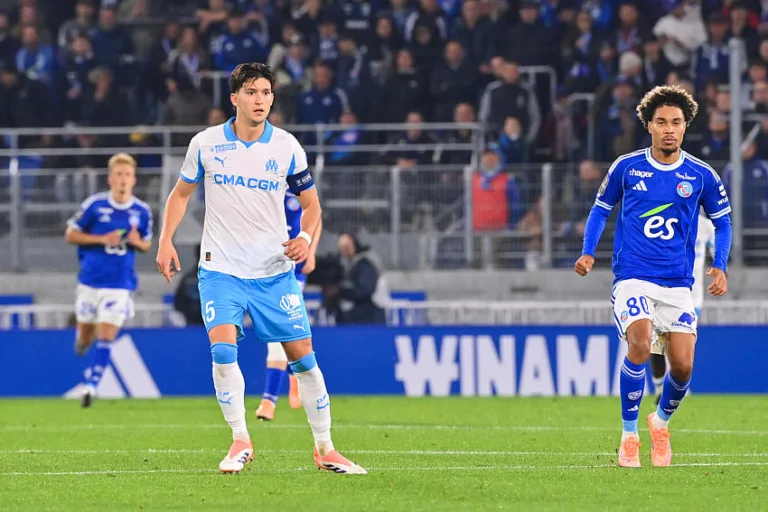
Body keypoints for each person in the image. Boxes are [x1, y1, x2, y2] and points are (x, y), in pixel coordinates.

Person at [156, 62, 365, 475]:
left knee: (304, 360)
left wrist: (305, 239)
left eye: (267, 92)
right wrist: (165, 240)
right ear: (234, 98)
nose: (261, 100)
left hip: (273, 272)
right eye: (252, 92)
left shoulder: (286, 146)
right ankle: (240, 439)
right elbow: (180, 195)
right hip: (221, 269)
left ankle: (325, 448)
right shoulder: (206, 143)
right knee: (221, 350)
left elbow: (312, 205)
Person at [574, 85, 732, 468]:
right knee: (640, 345)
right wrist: (588, 251)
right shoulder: (627, 167)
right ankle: (629, 437)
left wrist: (720, 264)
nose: (669, 129)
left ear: (685, 126)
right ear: (649, 125)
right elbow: (600, 209)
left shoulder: (701, 175)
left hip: (678, 285)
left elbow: (723, 221)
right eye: (661, 121)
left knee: (682, 366)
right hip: (633, 277)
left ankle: (659, 422)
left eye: (676, 122)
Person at [65, 153, 153, 408]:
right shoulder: (95, 205)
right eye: (118, 175)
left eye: (127, 175)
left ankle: (91, 386)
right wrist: (102, 239)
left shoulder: (141, 211)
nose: (123, 180)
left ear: (134, 179)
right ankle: (81, 345)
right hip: (90, 282)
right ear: (110, 179)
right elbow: (71, 234)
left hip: (120, 284)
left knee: (107, 335)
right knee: (85, 337)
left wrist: (138, 243)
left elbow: (146, 243)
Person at [255, 190, 322, 421]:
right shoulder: (258, 188)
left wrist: (311, 252)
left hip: (293, 273)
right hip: (265, 271)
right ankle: (294, 377)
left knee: (280, 330)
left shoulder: (297, 187)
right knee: (288, 329)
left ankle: (268, 401)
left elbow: (316, 216)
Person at [650, 209, 714, 404]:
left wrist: (720, 268)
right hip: (662, 289)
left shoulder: (706, 227)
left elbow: (718, 252)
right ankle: (660, 386)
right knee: (658, 341)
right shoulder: (666, 220)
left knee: (680, 339)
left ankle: (677, 385)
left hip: (692, 296)